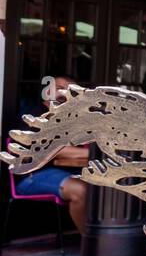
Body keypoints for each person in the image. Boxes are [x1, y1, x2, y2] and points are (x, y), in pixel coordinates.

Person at [12, 76, 89, 231]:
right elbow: (56, 151)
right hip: (31, 176)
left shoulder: (73, 119)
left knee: (107, 187)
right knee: (81, 190)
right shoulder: (33, 115)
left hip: (65, 171)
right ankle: (91, 245)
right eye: (59, 86)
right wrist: (92, 153)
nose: (64, 91)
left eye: (70, 89)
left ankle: (108, 239)